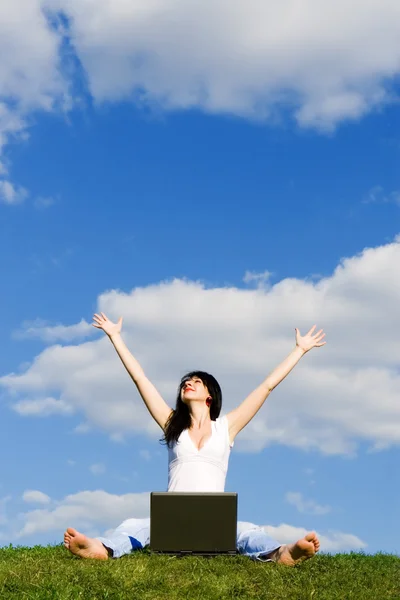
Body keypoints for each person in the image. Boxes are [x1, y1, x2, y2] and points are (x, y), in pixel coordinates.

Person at [64, 313, 325, 565]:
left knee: (249, 531)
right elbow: (140, 378)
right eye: (186, 382)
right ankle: (102, 549)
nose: (188, 383)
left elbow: (266, 386)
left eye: (196, 382)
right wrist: (115, 337)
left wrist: (299, 350)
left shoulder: (226, 427)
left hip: (215, 525)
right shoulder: (172, 426)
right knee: (135, 526)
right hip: (171, 524)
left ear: (209, 396)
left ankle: (281, 553)